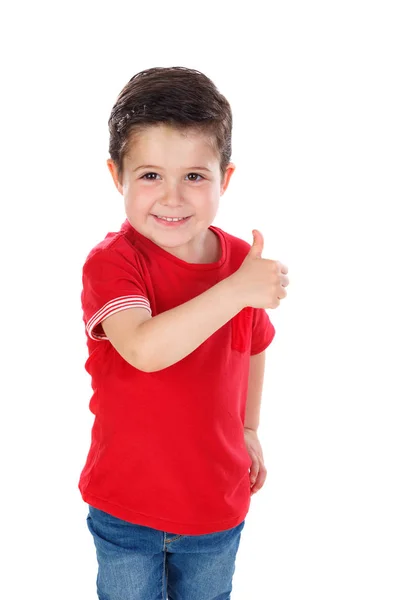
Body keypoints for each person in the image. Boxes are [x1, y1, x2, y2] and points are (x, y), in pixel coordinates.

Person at [79, 66, 289, 600]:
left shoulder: (239, 261)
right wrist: (236, 291)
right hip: (126, 507)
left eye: (194, 176)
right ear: (116, 176)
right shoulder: (113, 263)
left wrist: (248, 428)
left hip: (215, 506)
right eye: (150, 175)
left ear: (225, 179)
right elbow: (145, 349)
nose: (172, 198)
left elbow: (254, 345)